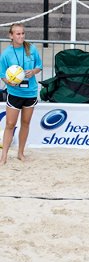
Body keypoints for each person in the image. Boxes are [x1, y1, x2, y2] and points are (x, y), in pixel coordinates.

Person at [0, 22, 42, 165]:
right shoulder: (6, 54)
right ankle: (4, 155)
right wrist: (8, 82)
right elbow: (2, 74)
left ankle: (20, 153)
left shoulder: (31, 48)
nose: (21, 36)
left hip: (30, 92)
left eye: (23, 33)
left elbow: (39, 66)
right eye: (18, 34)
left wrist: (33, 71)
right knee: (10, 124)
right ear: (11, 36)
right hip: (14, 92)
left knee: (25, 122)